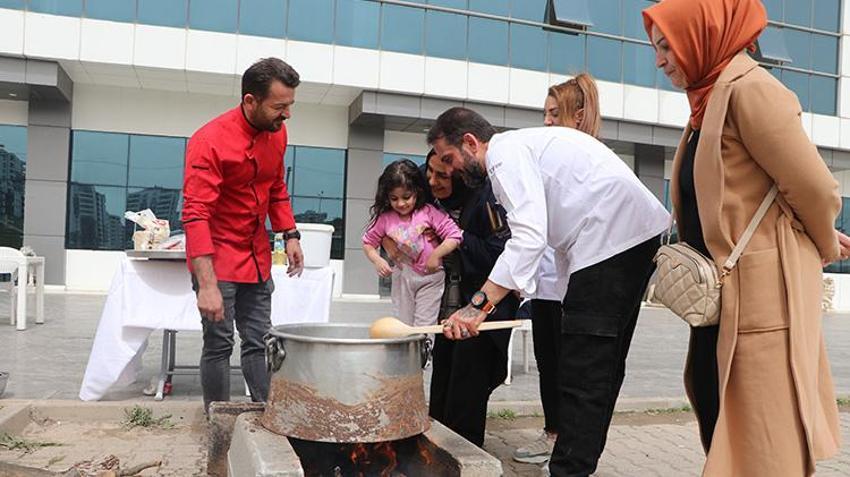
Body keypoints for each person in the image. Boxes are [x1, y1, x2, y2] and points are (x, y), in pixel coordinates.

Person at [643, 0, 845, 475]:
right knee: (722, 425)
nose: (660, 59)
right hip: (720, 304)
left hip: (760, 303)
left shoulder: (751, 91)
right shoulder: (707, 101)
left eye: (666, 45)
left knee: (762, 447)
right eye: (657, 48)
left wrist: (823, 244)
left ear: (702, 34)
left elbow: (814, 188)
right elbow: (751, 192)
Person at [428, 107, 669, 477]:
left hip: (613, 238)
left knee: (584, 367)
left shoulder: (503, 157)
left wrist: (478, 305)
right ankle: (575, 466)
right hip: (620, 238)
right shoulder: (525, 147)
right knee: (597, 366)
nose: (449, 169)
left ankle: (569, 470)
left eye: (449, 158)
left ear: (471, 143)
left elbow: (529, 236)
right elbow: (550, 239)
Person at [182, 58, 304, 413]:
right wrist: (206, 285)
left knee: (260, 340)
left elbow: (276, 187)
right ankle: (218, 421)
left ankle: (266, 413)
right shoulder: (209, 141)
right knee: (219, 343)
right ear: (250, 101)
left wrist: (290, 234)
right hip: (217, 257)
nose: (287, 116)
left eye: (290, 106)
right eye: (279, 107)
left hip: (257, 254)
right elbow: (196, 214)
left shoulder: (277, 134)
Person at [388, 149, 517, 447]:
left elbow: (500, 255)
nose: (432, 181)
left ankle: (466, 456)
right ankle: (437, 453)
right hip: (444, 303)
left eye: (442, 176)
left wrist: (455, 237)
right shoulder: (425, 195)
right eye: (429, 173)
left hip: (484, 305)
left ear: (461, 175)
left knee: (467, 387)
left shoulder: (488, 198)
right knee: (443, 381)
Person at [514, 73, 602, 465]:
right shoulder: (550, 154)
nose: (547, 121)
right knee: (549, 365)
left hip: (575, 286)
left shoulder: (589, 160)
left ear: (579, 116)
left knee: (571, 371)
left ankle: (569, 447)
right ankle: (553, 437)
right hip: (547, 285)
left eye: (555, 113)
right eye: (545, 113)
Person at [362, 159, 462, 327]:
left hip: (431, 276)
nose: (401, 204)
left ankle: (423, 353)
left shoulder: (428, 212)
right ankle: (407, 353)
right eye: (394, 198)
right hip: (403, 277)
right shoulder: (385, 218)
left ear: (417, 192)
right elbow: (368, 242)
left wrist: (437, 255)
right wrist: (377, 260)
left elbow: (455, 235)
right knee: (403, 323)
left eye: (406, 197)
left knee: (425, 325)